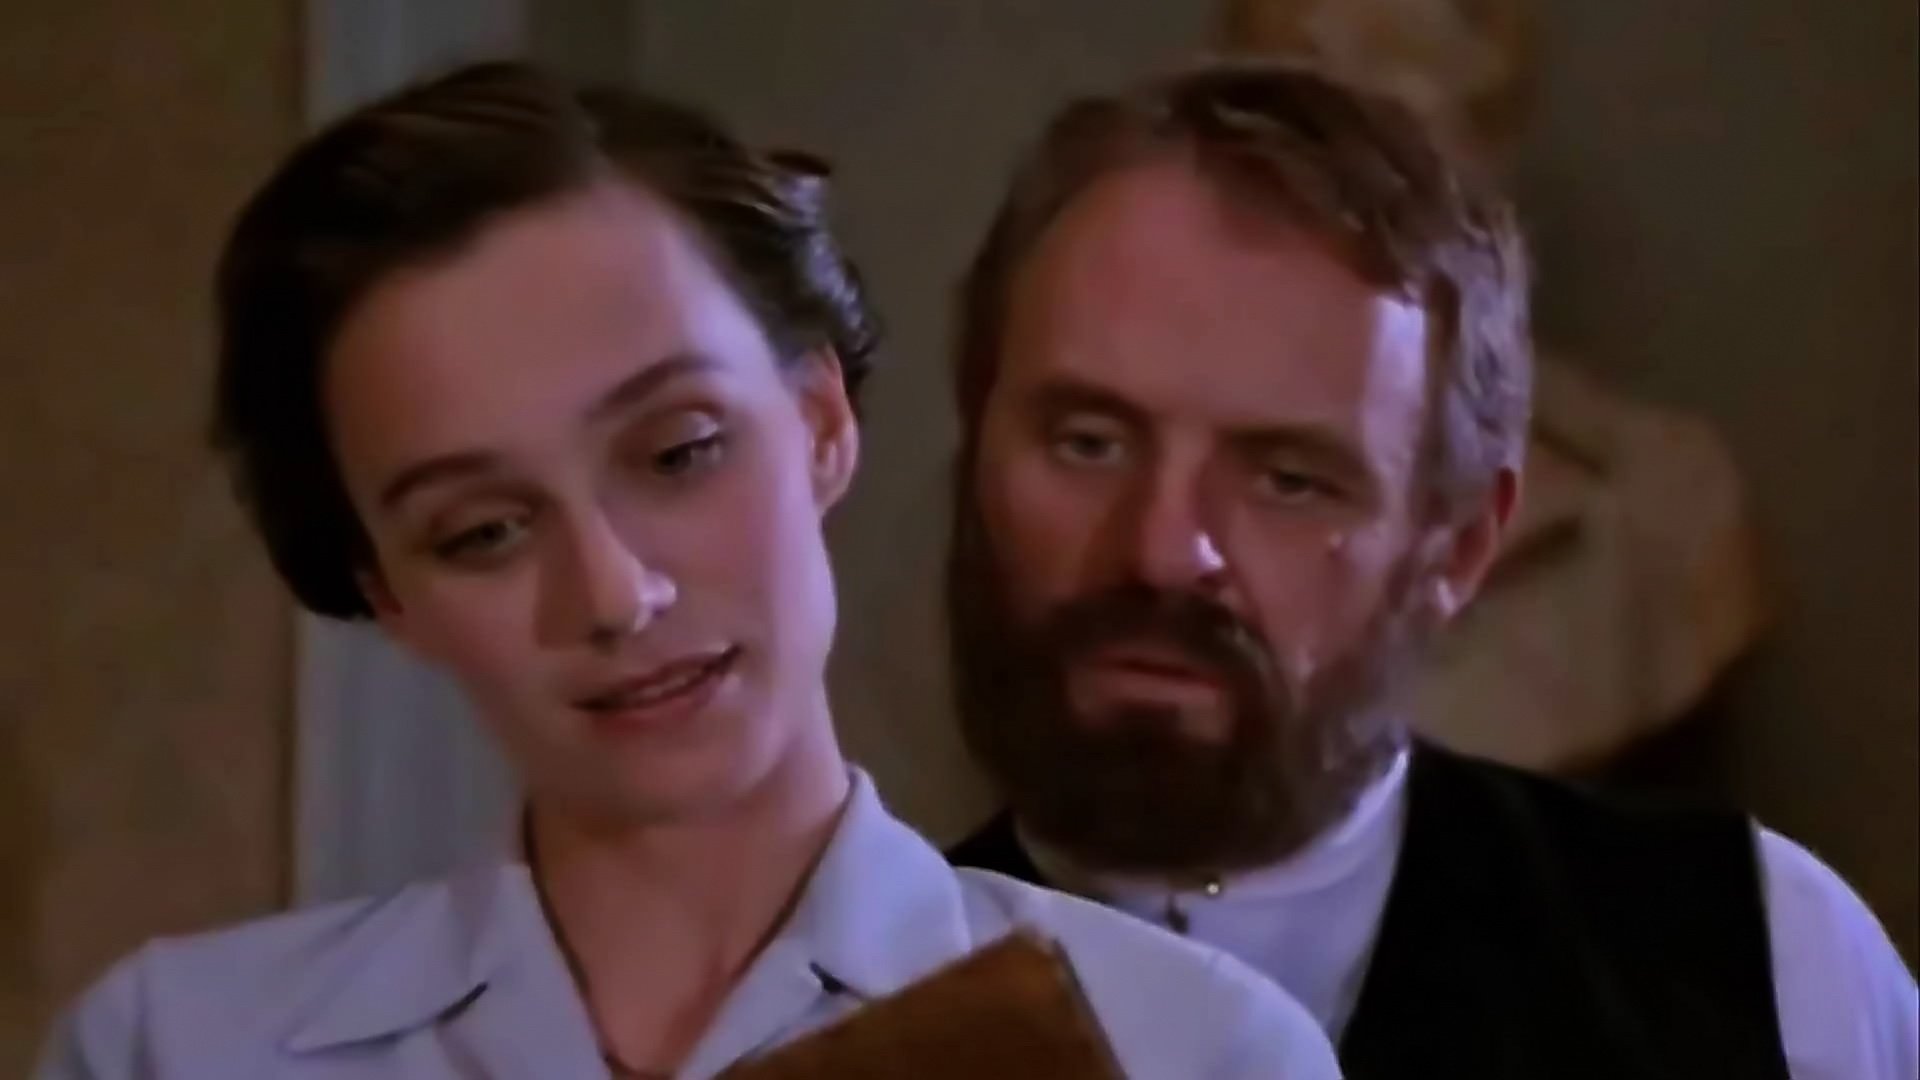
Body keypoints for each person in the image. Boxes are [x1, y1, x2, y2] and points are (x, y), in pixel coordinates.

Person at [34, 62, 1339, 1080]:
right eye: (482, 531)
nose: (613, 594)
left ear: (821, 422)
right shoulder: (182, 1048)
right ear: (388, 594)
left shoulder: (1188, 1052)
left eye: (679, 453)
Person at [945, 59, 1918, 1079]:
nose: (1161, 550)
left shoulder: (1770, 963)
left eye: (1287, 480)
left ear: (1458, 546)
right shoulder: (845, 1019)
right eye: (1090, 443)